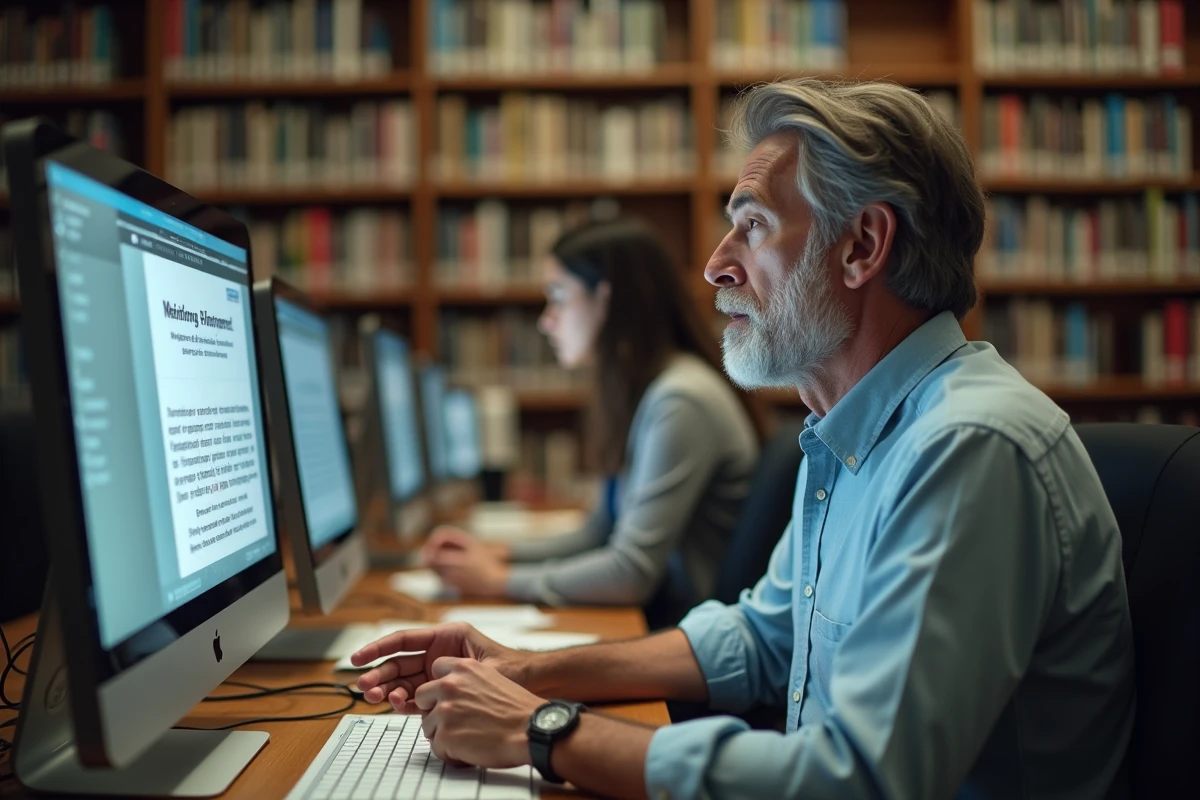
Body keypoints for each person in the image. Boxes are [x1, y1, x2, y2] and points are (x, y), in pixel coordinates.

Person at [353, 78, 1135, 799]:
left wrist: (542, 729)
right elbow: (763, 638)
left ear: (862, 245)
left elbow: (858, 780)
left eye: (752, 226)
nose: (715, 267)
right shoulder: (847, 431)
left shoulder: (969, 447)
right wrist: (522, 670)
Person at [422, 218, 762, 626]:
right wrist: (501, 555)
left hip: (681, 629)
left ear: (606, 300)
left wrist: (500, 581)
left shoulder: (681, 400)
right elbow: (600, 529)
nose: (546, 320)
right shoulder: (650, 389)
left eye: (559, 297)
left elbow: (630, 573)